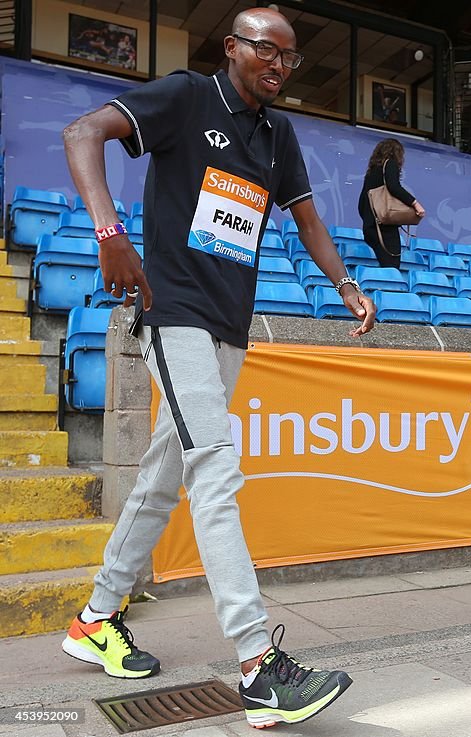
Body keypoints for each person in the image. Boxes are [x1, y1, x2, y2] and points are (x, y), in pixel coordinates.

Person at [59, 8, 374, 729]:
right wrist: (110, 234)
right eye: (267, 51)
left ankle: (95, 618)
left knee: (165, 474)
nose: (279, 66)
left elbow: (309, 222)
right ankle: (260, 665)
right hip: (175, 318)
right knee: (215, 469)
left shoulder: (278, 134)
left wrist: (346, 284)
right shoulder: (185, 97)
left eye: (290, 58)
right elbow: (82, 134)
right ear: (232, 48)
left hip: (229, 326)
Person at [358, 138, 425, 268]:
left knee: (384, 266)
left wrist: (369, 219)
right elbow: (394, 187)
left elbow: (361, 203)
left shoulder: (372, 171)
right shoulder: (390, 164)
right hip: (384, 229)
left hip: (370, 228)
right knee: (391, 269)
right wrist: (415, 203)